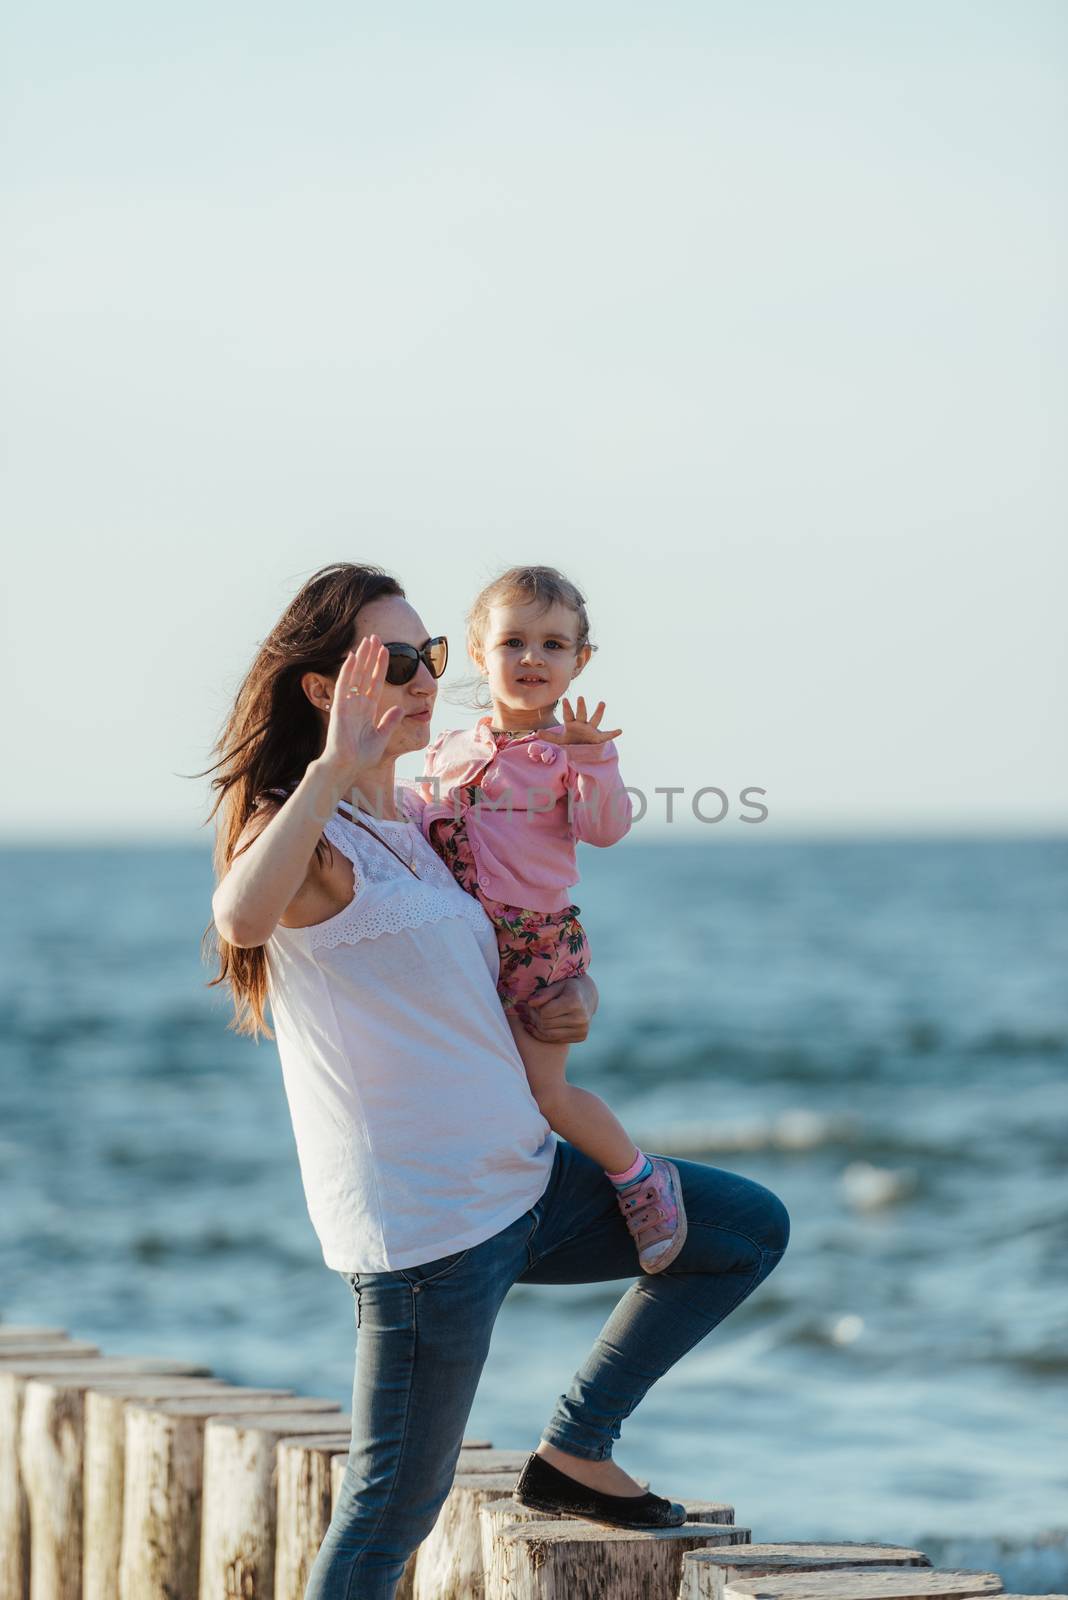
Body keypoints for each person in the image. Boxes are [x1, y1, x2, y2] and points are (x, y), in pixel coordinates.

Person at [204, 562, 790, 1600]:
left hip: (523, 1182)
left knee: (742, 1230)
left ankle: (576, 1452)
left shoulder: (423, 827)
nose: (428, 676)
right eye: (398, 658)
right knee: (391, 1511)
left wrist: (577, 998)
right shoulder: (317, 833)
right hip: (430, 1229)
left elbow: (492, 972)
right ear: (323, 687)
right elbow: (242, 915)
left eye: (431, 653)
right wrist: (332, 771)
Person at [417, 563, 686, 1273]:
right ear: (479, 653)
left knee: (546, 1093)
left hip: (535, 943)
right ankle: (494, 1210)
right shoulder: (449, 750)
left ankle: (639, 1178)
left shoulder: (570, 752)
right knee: (479, 1088)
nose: (532, 658)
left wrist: (594, 761)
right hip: (464, 945)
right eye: (513, 642)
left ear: (580, 661)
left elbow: (607, 828)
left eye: (553, 645)